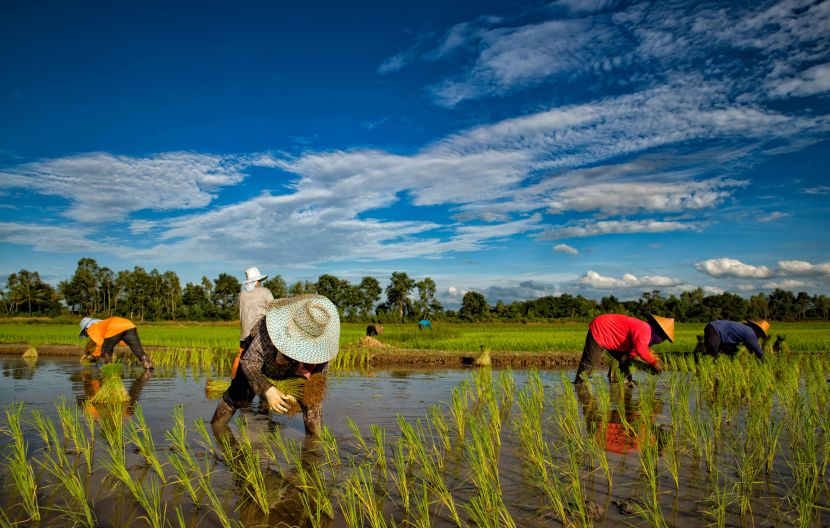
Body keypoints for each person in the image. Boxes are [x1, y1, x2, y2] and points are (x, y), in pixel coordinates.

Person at [211, 294, 340, 436]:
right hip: (263, 365)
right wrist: (268, 390)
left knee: (312, 403)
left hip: (294, 372)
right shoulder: (269, 327)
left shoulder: (322, 346)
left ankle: (314, 447)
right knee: (238, 394)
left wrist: (295, 392)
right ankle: (216, 428)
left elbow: (317, 380)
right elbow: (249, 362)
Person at [574, 314, 674, 385]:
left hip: (611, 336)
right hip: (600, 328)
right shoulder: (645, 329)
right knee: (590, 362)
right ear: (658, 333)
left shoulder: (646, 334)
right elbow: (641, 350)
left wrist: (648, 368)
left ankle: (627, 381)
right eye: (663, 339)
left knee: (624, 359)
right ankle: (579, 385)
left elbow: (630, 355)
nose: (661, 341)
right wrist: (654, 363)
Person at [234, 267, 274, 377]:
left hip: (244, 336)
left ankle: (236, 384)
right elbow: (273, 312)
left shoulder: (242, 294)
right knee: (261, 366)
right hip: (259, 337)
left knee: (242, 363)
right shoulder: (265, 292)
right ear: (257, 281)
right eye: (260, 280)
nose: (261, 283)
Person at [79, 316, 153, 370]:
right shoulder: (101, 324)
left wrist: (93, 356)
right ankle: (148, 367)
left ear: (86, 328)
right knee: (138, 351)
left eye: (86, 334)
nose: (87, 335)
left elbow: (101, 344)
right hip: (130, 325)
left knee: (105, 351)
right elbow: (117, 339)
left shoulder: (91, 328)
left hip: (114, 327)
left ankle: (109, 369)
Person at [701, 319, 769, 360]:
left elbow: (749, 347)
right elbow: (759, 352)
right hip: (715, 330)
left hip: (712, 328)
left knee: (733, 351)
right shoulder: (750, 333)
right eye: (761, 334)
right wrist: (766, 363)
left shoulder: (745, 328)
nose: (759, 336)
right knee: (714, 356)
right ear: (758, 330)